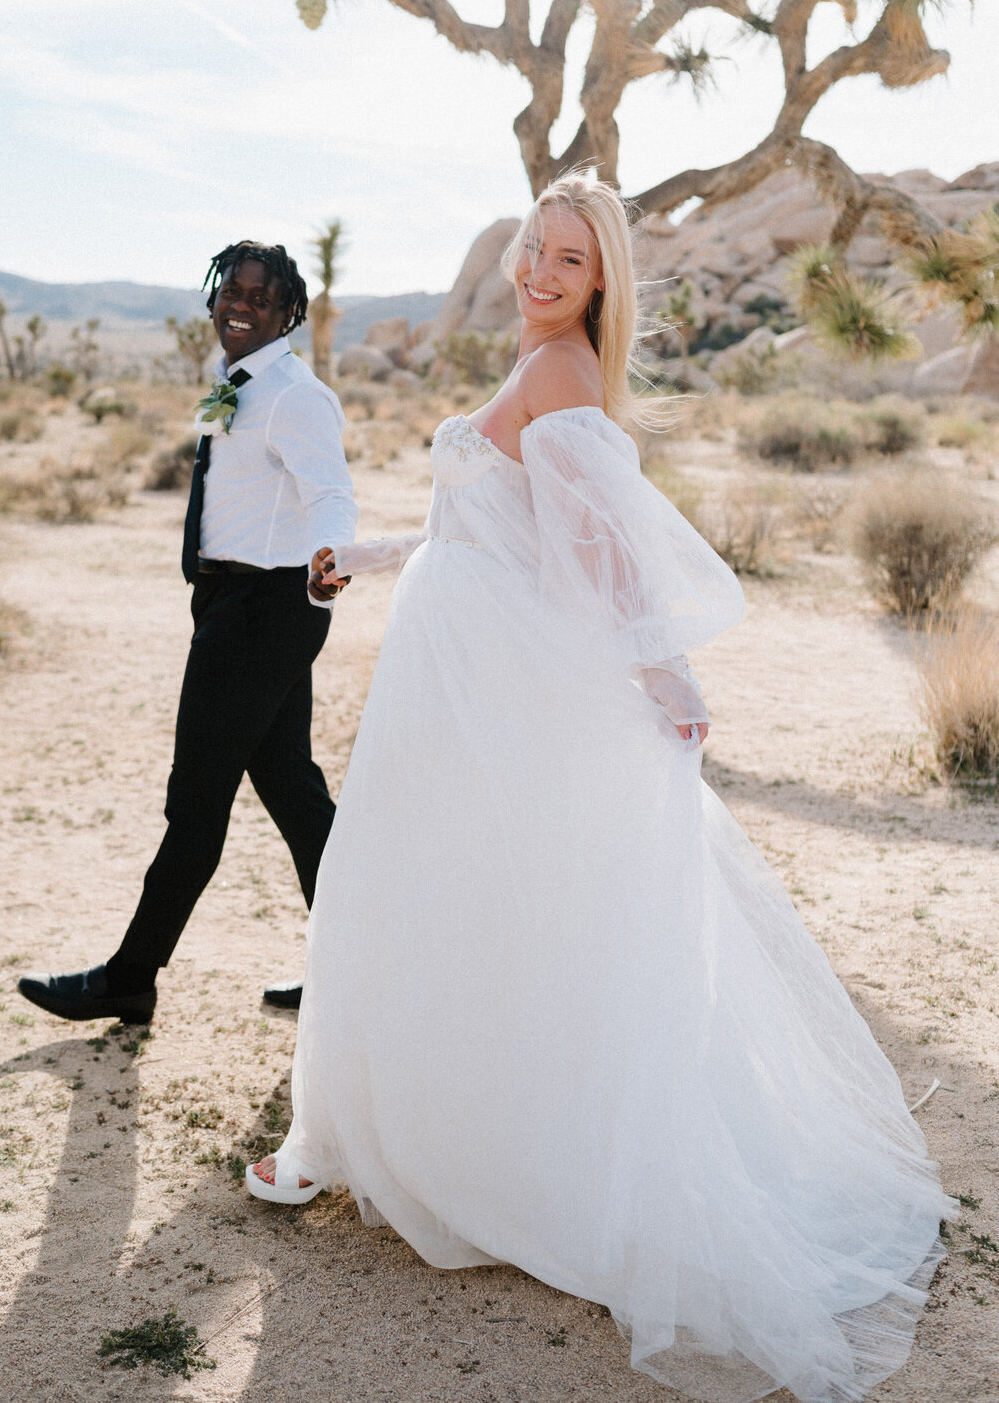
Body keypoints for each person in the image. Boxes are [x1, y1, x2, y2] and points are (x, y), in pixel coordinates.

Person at [245, 176, 951, 1403]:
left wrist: (663, 673)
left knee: (432, 897)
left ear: (600, 279)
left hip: (487, 690)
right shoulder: (541, 368)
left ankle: (411, 1150)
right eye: (533, 247)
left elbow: (604, 554)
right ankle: (378, 1138)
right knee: (439, 899)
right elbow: (488, 526)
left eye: (569, 258)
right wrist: (369, 552)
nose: (539, 270)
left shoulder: (564, 377)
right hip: (453, 681)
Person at [18, 240, 358, 1026]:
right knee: (298, 798)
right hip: (235, 608)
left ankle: (129, 978)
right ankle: (359, 971)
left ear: (289, 313)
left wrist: (328, 567)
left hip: (263, 615)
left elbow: (332, 496)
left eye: (259, 297)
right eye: (228, 291)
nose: (238, 305)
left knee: (196, 803)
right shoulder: (237, 383)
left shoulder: (295, 395)